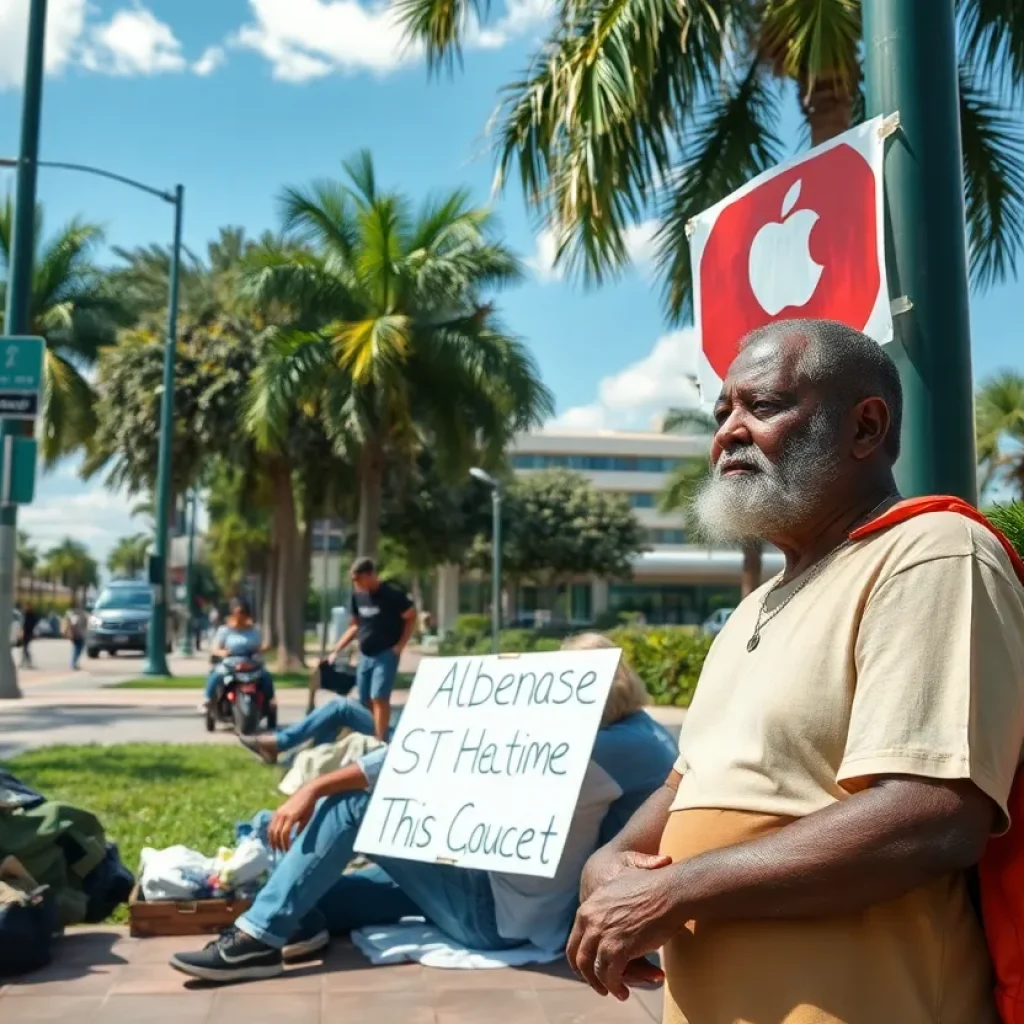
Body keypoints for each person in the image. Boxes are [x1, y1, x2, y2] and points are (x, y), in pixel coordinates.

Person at [567, 319, 1024, 1024]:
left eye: (763, 406)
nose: (728, 433)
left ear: (865, 427)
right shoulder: (752, 611)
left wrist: (673, 892)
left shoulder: (932, 552)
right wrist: (611, 862)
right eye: (722, 414)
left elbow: (931, 816)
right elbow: (690, 783)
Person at [169, 633, 678, 983]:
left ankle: (257, 939)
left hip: (495, 915)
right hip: (494, 892)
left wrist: (317, 786)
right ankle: (290, 913)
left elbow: (424, 755)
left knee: (355, 807)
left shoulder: (591, 752)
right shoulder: (640, 734)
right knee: (330, 897)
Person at [328, 557, 415, 741]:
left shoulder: (391, 595)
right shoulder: (357, 596)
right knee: (364, 699)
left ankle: (381, 739)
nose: (356, 584)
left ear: (370, 575)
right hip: (365, 655)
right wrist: (336, 649)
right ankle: (371, 735)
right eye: (353, 581)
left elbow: (410, 616)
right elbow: (355, 625)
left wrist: (400, 646)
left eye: (359, 579)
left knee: (379, 697)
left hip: (385, 654)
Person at [237, 694, 387, 765]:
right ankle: (311, 762)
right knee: (334, 715)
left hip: (398, 738)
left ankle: (280, 743)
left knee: (342, 707)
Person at [202, 598, 275, 712]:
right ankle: (207, 700)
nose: (240, 616)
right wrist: (222, 652)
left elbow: (262, 645)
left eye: (243, 613)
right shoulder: (225, 630)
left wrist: (262, 649)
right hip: (230, 663)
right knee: (216, 675)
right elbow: (215, 648)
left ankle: (270, 702)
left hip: (250, 662)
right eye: (237, 613)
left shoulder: (254, 630)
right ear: (232, 614)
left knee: (266, 676)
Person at [63, 603, 88, 671]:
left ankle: (74, 663)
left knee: (79, 649)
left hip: (80, 634)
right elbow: (73, 625)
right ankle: (73, 663)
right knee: (77, 649)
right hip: (77, 634)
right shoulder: (74, 615)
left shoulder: (82, 614)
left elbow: (85, 624)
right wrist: (72, 633)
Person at [19, 603, 39, 669]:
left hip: (28, 633)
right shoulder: (26, 615)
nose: (24, 608)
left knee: (25, 649)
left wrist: (23, 631)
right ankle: (24, 662)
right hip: (27, 633)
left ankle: (27, 662)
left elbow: (26, 624)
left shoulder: (29, 615)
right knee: (24, 649)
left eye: (26, 607)